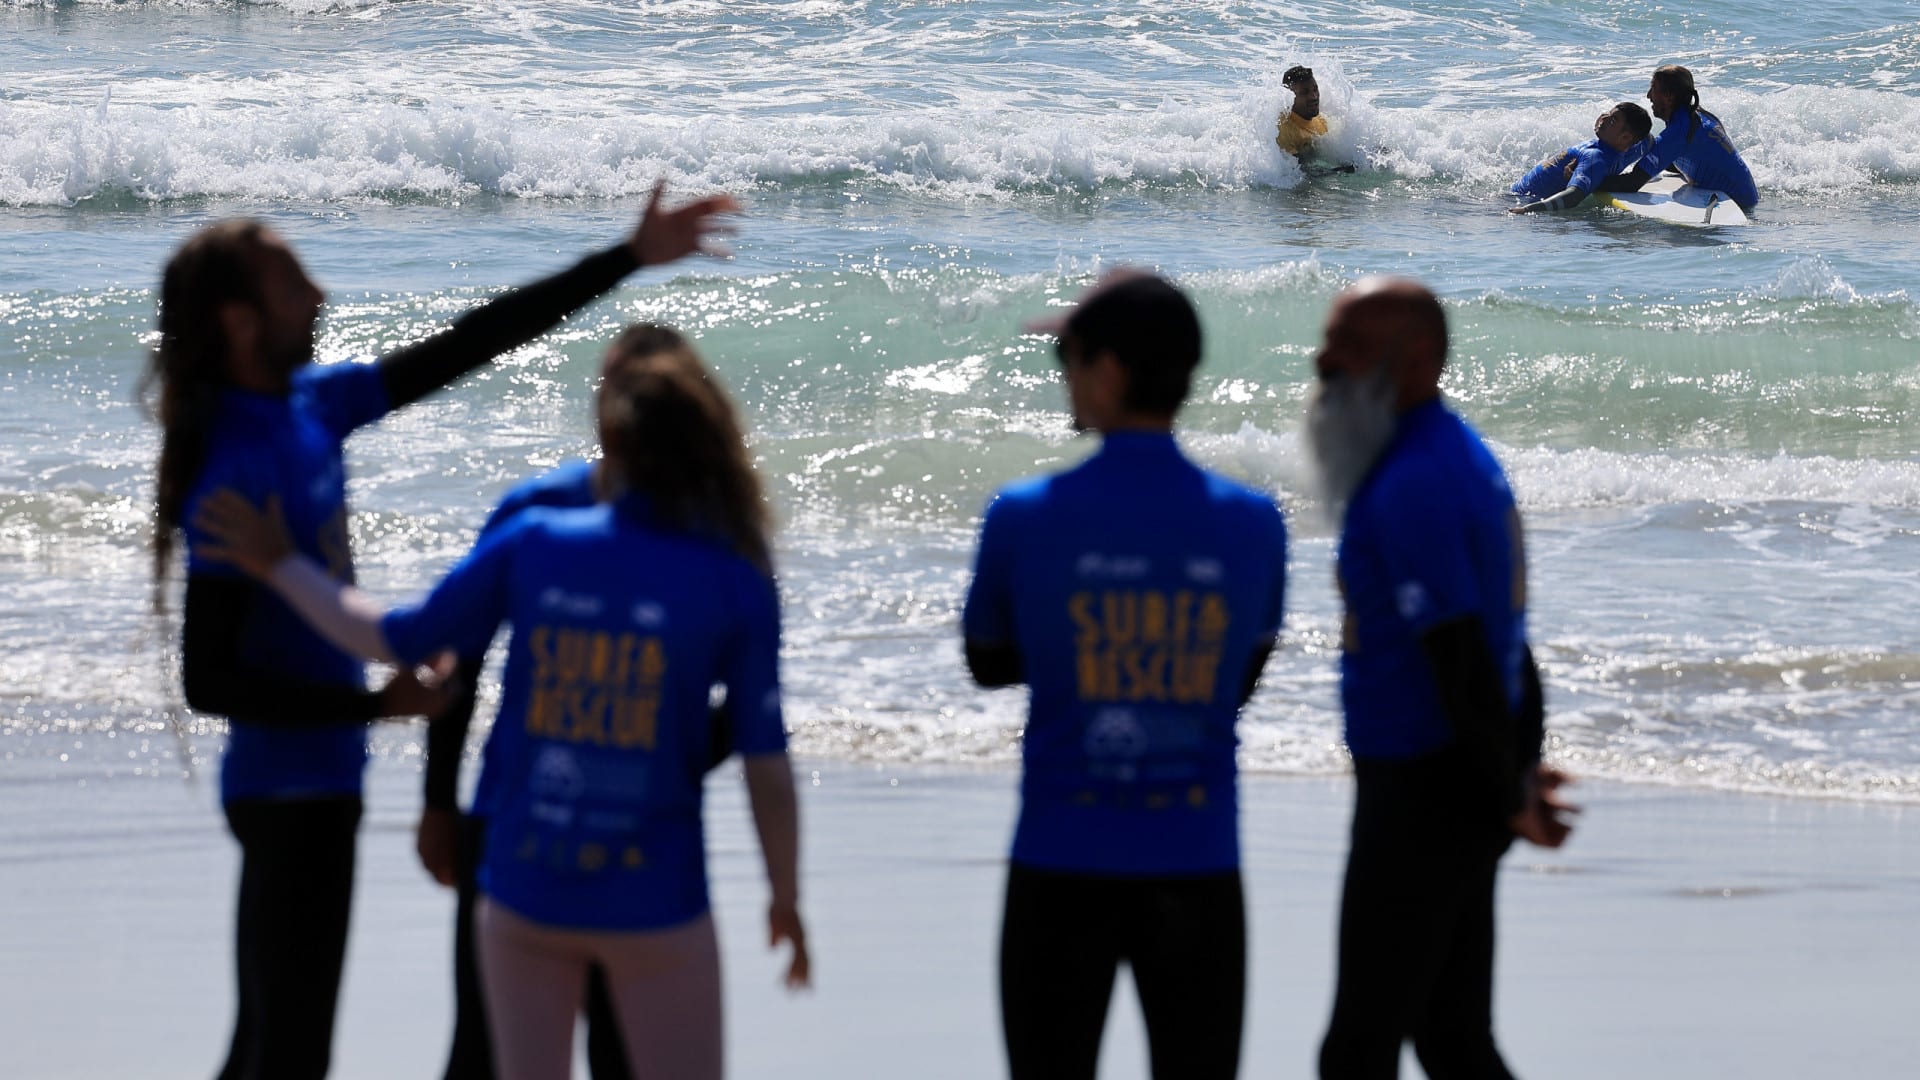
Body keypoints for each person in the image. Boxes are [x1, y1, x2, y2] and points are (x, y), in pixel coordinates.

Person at [143, 182, 738, 1080]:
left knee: (274, 1041)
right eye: (295, 281)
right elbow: (210, 679)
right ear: (240, 322)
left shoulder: (313, 408)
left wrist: (625, 258)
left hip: (320, 781)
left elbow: (474, 339)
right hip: (284, 786)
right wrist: (374, 709)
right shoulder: (235, 460)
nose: (320, 295)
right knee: (287, 1050)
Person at [193, 327, 808, 1080]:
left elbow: (400, 636)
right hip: (654, 892)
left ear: (611, 426)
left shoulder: (535, 540)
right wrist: (784, 894)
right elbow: (764, 758)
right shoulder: (737, 571)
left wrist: (282, 565)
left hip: (525, 885)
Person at [963, 271, 1289, 1080]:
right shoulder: (1255, 524)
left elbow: (988, 661)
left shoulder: (1024, 514)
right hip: (1197, 858)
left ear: (1107, 372)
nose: (1063, 378)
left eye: (1066, 360)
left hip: (1061, 857)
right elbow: (1238, 680)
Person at [419, 327, 743, 1080]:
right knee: (483, 1052)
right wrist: (440, 803)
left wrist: (659, 761)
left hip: (640, 844)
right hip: (510, 825)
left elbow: (745, 701)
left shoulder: (709, 533)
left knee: (623, 1058)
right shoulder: (538, 510)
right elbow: (456, 661)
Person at [1304, 276, 1576, 1079]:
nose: (1323, 362)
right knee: (1451, 1038)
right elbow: (1504, 643)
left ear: (1414, 357)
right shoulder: (1448, 455)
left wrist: (1506, 793)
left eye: (1347, 347)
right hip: (1457, 779)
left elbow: (1460, 654)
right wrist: (1512, 774)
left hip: (1426, 790)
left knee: (1358, 1050)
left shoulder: (1417, 482)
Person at [1598, 64, 1759, 212]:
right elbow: (1686, 159)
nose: (1648, 95)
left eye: (1653, 89)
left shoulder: (1678, 132)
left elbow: (1632, 183)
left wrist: (1587, 181)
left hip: (1736, 206)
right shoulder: (1700, 116)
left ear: (1669, 97)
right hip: (1749, 197)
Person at [1508, 102, 1653, 213]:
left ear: (1626, 137)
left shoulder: (1598, 156)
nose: (1604, 119)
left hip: (1522, 201)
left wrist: (1528, 209)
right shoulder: (1624, 148)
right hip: (1516, 198)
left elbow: (1572, 197)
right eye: (1607, 114)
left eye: (1613, 120)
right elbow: (1648, 138)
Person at [1276, 65, 1330, 157]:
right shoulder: (1284, 130)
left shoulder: (1320, 120)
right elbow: (1295, 169)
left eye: (1315, 89)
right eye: (1305, 92)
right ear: (1289, 97)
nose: (1314, 96)